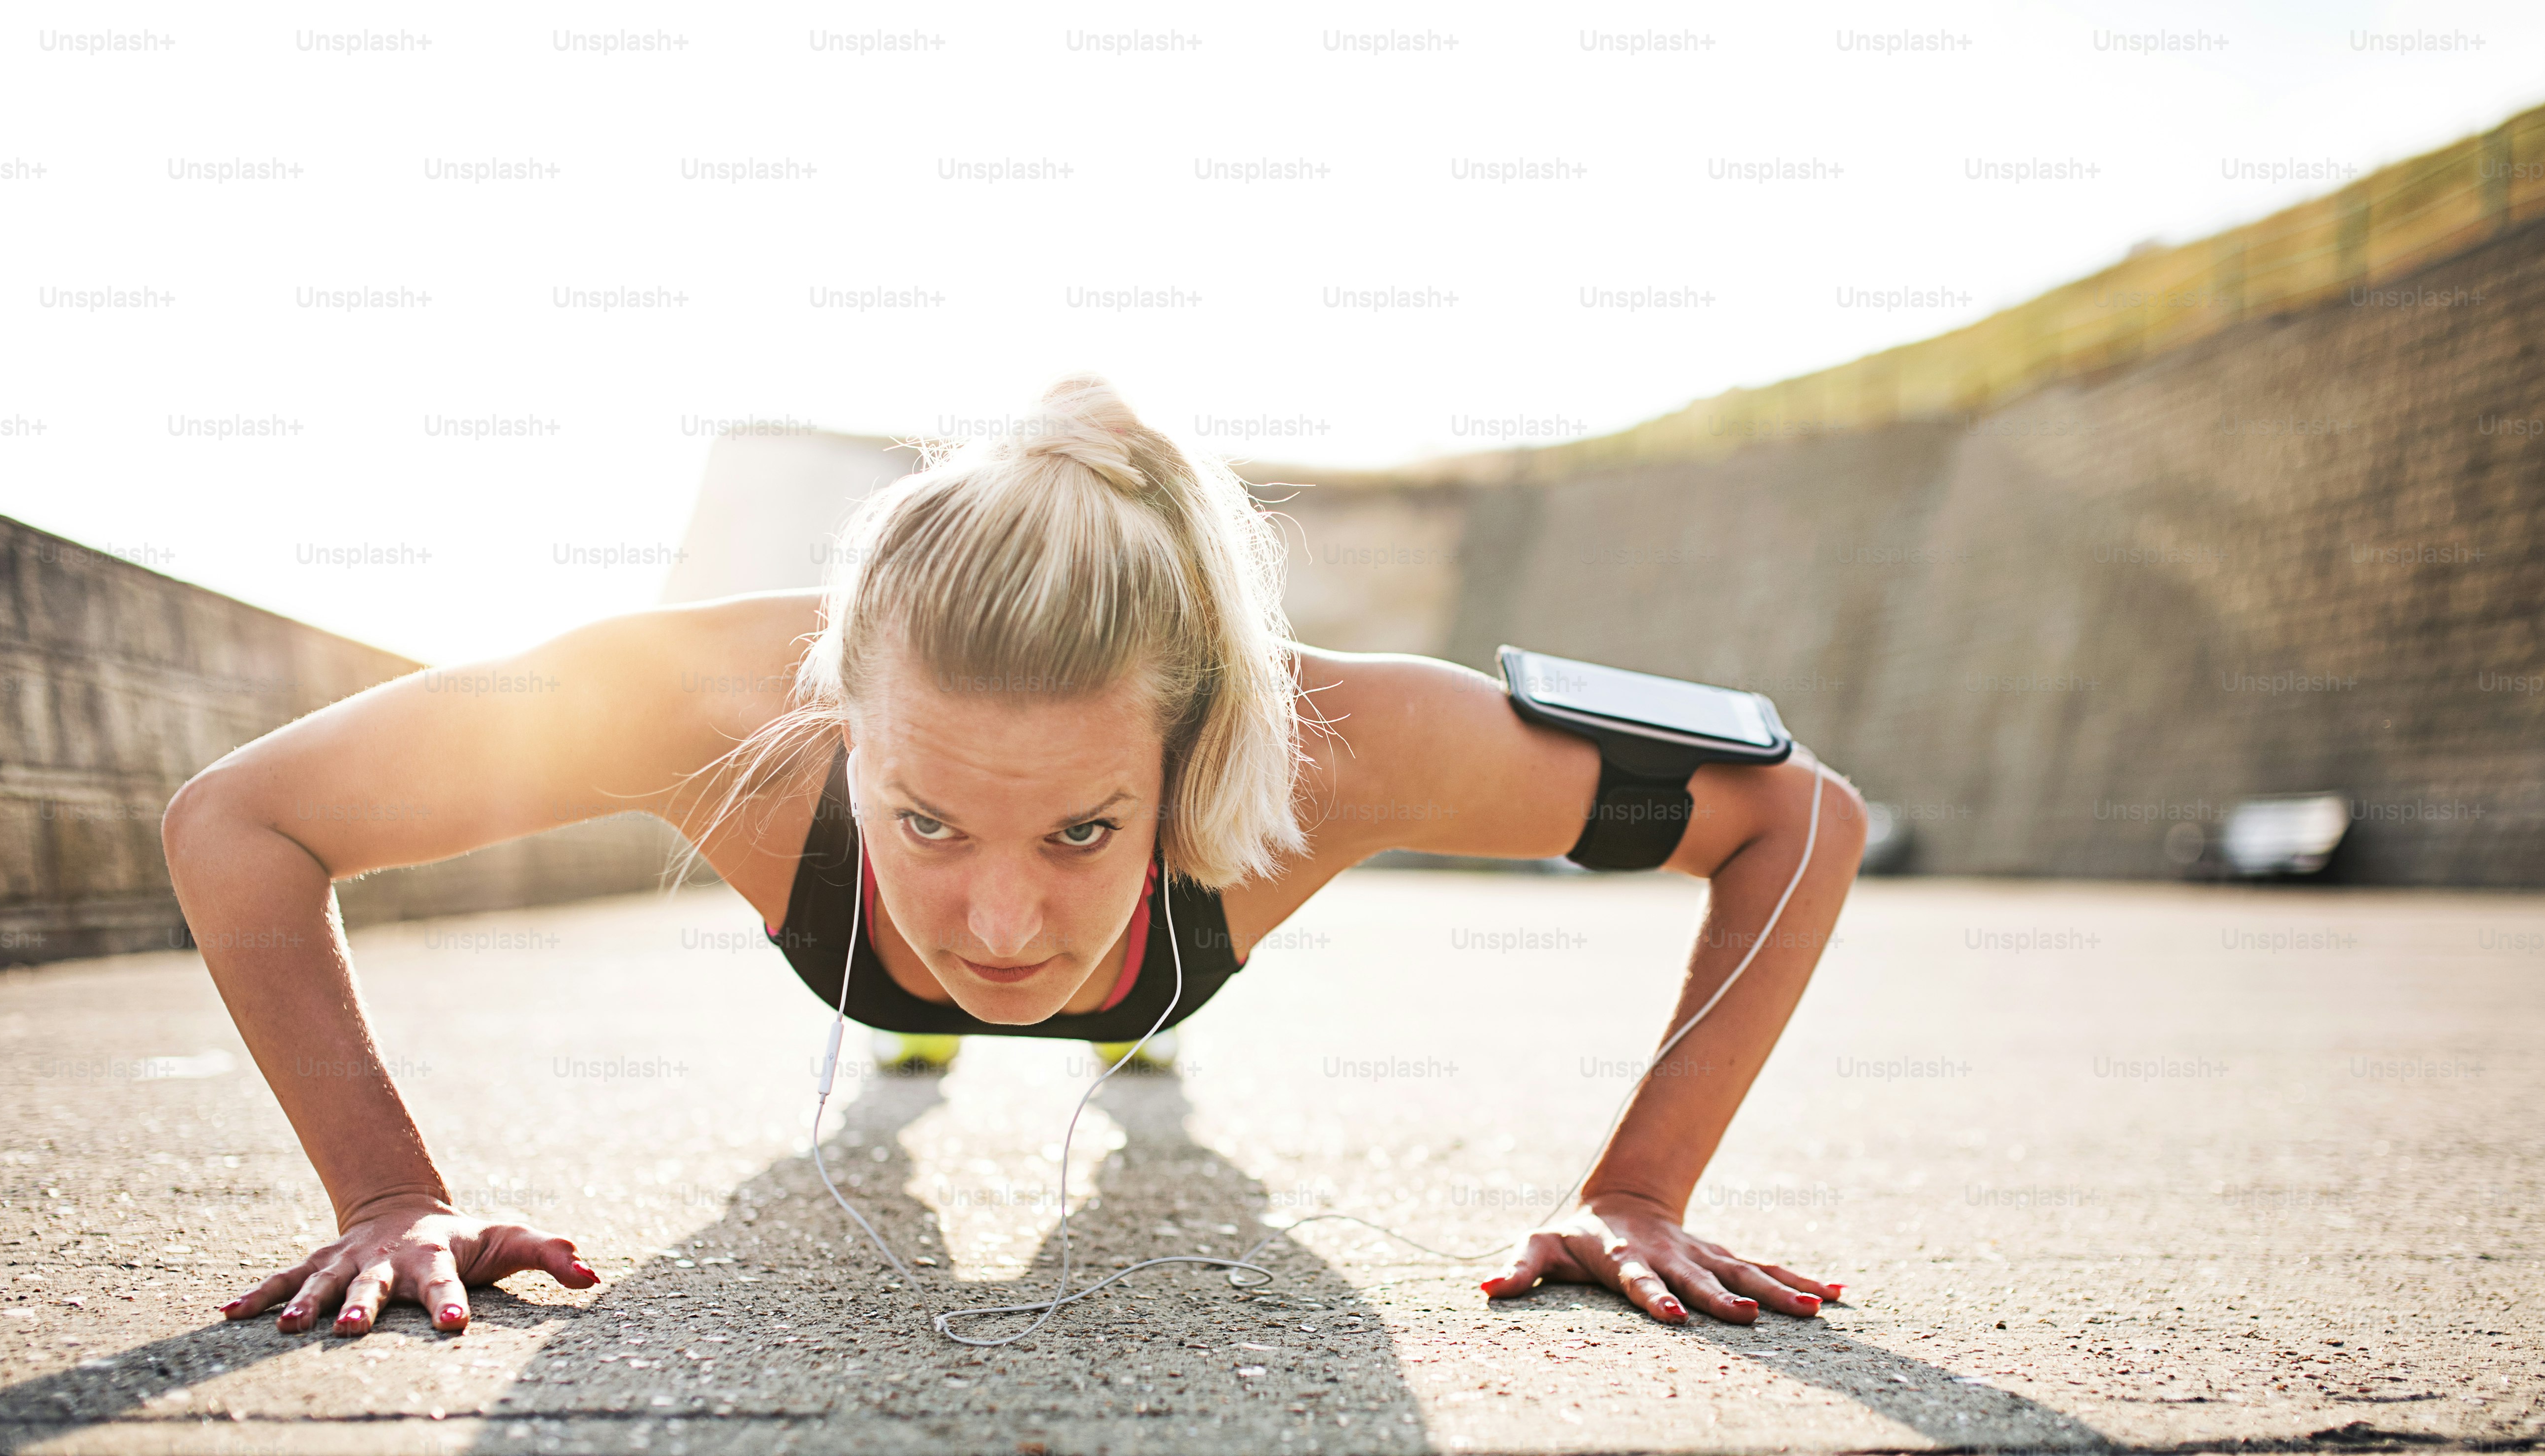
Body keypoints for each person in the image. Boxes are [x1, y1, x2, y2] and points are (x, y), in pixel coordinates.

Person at [164, 375, 1868, 1342]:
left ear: (1198, 748)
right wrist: (389, 1192)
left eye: (1080, 827)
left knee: (1127, 1062)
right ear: (829, 714)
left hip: (1166, 974)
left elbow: (1797, 815)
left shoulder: (1349, 736)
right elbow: (240, 817)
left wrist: (1637, 1186)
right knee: (921, 998)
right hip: (838, 954)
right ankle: (917, 999)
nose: (997, 920)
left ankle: (1128, 1038)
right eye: (923, 817)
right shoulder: (676, 696)